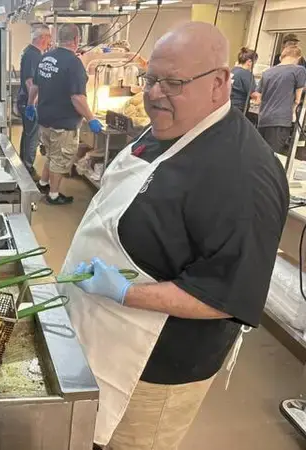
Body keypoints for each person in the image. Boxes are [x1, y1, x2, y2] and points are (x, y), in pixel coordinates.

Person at [58, 22, 289, 450]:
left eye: (173, 83)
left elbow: (225, 297)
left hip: (152, 370)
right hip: (98, 337)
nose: (154, 93)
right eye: (151, 79)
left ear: (219, 83)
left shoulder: (244, 176)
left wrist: (125, 292)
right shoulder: (168, 127)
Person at [26, 24, 103, 205]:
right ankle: (53, 195)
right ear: (76, 39)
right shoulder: (74, 63)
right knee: (59, 160)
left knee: (52, 155)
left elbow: (35, 86)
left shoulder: (46, 58)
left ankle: (43, 184)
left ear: (58, 38)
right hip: (63, 123)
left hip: (45, 119)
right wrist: (91, 119)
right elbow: (77, 97)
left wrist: (30, 104)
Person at [257, 45, 306, 154]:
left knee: (261, 153)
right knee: (274, 155)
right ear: (298, 58)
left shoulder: (267, 72)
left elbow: (258, 97)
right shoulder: (299, 70)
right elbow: (297, 100)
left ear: (281, 57)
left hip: (263, 119)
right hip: (280, 120)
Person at [17, 25, 52, 179]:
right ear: (42, 38)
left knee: (28, 134)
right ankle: (28, 170)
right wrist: (33, 104)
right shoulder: (33, 55)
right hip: (29, 103)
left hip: (27, 101)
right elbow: (30, 82)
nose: (49, 41)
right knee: (32, 137)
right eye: (49, 37)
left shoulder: (31, 52)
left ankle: (23, 165)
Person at [230, 47, 258, 111]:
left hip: (230, 106)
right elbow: (253, 94)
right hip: (239, 108)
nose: (254, 66)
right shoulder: (246, 74)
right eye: (254, 63)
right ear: (249, 62)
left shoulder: (233, 70)